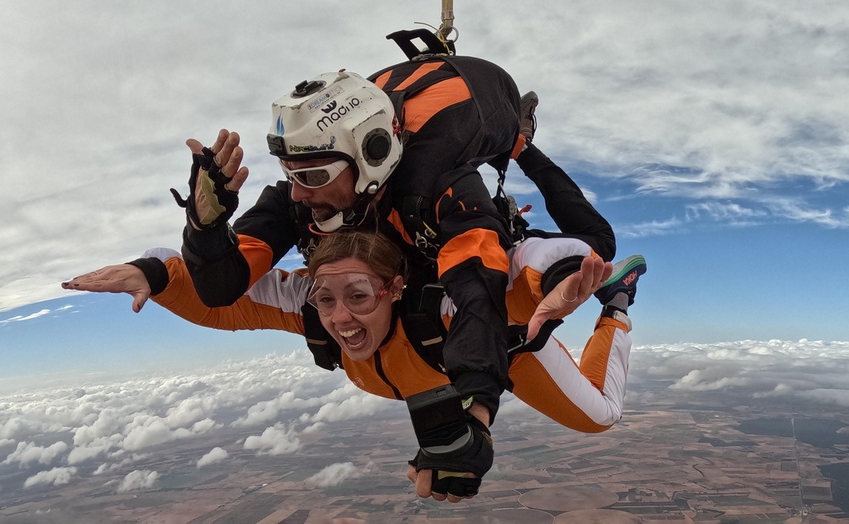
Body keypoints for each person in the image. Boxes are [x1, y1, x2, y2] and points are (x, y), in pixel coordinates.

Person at [175, 56, 615, 441]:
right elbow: (221, 287)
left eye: (310, 176)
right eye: (289, 174)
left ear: (371, 155)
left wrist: (478, 411)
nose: (296, 195)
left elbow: (479, 293)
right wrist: (205, 228)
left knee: (600, 257)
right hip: (427, 333)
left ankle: (522, 145)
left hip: (489, 340)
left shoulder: (440, 186)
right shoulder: (294, 204)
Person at [63, 230, 646, 502]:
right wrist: (153, 273)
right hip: (432, 383)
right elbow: (220, 295)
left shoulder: (448, 308)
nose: (340, 318)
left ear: (394, 289)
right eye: (326, 297)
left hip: (505, 347)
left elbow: (521, 266)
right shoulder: (312, 311)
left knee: (599, 416)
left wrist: (568, 273)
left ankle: (618, 306)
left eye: (359, 297)